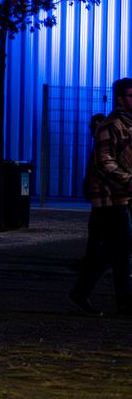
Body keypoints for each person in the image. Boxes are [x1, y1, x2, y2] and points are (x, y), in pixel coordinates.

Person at [69, 77, 132, 317]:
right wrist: (129, 180)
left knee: (117, 249)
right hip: (108, 197)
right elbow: (105, 163)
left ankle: (84, 293)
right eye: (131, 95)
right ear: (119, 98)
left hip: (122, 196)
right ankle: (120, 300)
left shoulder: (126, 124)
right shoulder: (110, 126)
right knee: (120, 247)